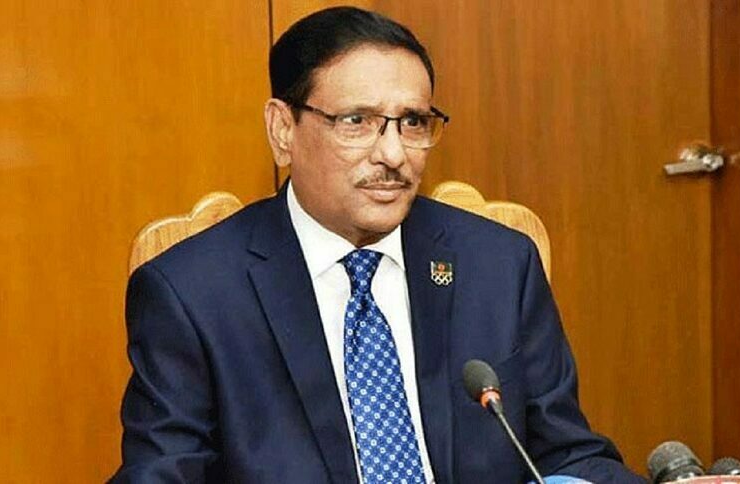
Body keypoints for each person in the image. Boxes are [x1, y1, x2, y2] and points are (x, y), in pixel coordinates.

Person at [112, 6, 645, 483]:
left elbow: (567, 455)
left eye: (413, 122)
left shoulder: (499, 264)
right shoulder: (192, 293)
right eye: (357, 122)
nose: (393, 154)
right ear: (282, 129)